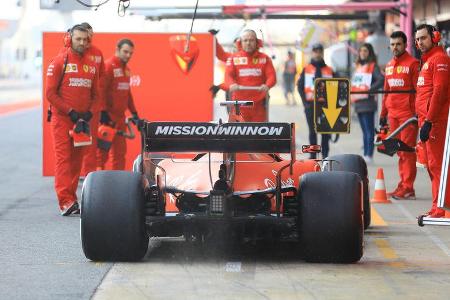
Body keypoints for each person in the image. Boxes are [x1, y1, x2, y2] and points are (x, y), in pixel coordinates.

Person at [46, 24, 99, 216]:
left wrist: (88, 113)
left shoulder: (92, 65)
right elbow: (50, 94)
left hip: (82, 122)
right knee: (64, 160)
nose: (82, 43)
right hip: (62, 120)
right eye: (78, 39)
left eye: (85, 39)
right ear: (69, 38)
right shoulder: (60, 61)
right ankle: (65, 201)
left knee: (77, 162)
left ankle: (72, 199)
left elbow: (96, 95)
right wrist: (71, 112)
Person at [415, 24, 450, 218]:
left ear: (434, 37)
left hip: (437, 122)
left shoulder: (440, 60)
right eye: (418, 39)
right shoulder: (428, 61)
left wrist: (429, 120)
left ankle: (442, 208)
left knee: (438, 165)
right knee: (431, 165)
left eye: (424, 38)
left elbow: (439, 92)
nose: (420, 42)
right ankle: (438, 206)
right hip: (426, 121)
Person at [380, 31, 419, 200]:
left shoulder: (413, 64)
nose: (395, 47)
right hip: (393, 115)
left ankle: (408, 187)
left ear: (405, 45)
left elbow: (420, 91)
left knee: (407, 152)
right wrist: (383, 114)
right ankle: (403, 185)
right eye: (393, 44)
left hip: (408, 116)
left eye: (398, 44)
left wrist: (418, 114)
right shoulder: (388, 65)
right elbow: (386, 91)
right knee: (398, 151)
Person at [97, 38, 139, 170]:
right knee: (101, 155)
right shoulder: (108, 66)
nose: (128, 55)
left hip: (120, 119)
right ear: (117, 50)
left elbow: (127, 93)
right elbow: (100, 90)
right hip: (106, 119)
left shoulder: (126, 69)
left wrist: (134, 113)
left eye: (130, 53)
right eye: (125, 52)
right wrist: (103, 113)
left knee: (120, 155)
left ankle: (118, 184)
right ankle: (96, 186)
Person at [223, 29, 276, 122]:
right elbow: (227, 75)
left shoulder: (265, 58)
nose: (248, 43)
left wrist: (267, 85)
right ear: (240, 42)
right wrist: (231, 84)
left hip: (259, 104)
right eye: (245, 40)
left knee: (258, 133)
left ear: (256, 42)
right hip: (239, 104)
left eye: (251, 40)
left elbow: (272, 76)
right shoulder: (233, 58)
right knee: (238, 133)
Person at [297, 43, 334, 159]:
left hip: (326, 106)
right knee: (312, 132)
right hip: (311, 105)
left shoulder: (329, 70)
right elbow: (300, 86)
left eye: (319, 51)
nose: (317, 53)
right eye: (315, 51)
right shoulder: (306, 69)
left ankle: (325, 156)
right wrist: (305, 103)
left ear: (322, 53)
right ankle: (312, 156)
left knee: (325, 132)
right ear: (312, 53)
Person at [78, 22, 106, 176]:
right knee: (74, 142)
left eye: (90, 35)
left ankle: (88, 174)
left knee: (91, 142)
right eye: (85, 35)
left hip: (92, 106)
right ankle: (76, 173)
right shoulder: (74, 53)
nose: (88, 38)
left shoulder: (97, 53)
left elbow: (101, 76)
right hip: (76, 104)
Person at [351, 43, 385, 164]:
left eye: (365, 51)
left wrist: (370, 89)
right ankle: (366, 153)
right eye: (361, 51)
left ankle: (369, 154)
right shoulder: (359, 66)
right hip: (358, 102)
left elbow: (382, 79)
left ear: (369, 52)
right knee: (364, 130)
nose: (363, 53)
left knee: (369, 130)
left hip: (368, 103)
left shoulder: (373, 66)